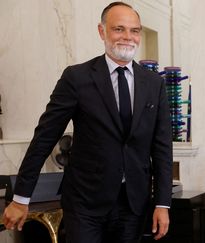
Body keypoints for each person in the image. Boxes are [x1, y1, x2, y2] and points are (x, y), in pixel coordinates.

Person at [2, 2, 173, 243]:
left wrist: (163, 203)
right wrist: (21, 198)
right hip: (85, 203)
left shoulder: (155, 84)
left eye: (134, 30)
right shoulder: (76, 78)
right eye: (119, 29)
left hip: (133, 203)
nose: (128, 37)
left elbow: (162, 147)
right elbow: (45, 137)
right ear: (102, 32)